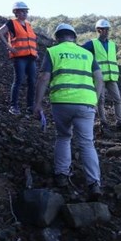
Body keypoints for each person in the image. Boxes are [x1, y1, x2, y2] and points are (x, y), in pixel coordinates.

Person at [33, 23, 104, 201]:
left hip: (62, 102)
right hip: (86, 103)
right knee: (87, 144)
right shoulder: (87, 54)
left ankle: (62, 175)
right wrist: (95, 100)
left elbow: (43, 78)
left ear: (57, 37)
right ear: (74, 37)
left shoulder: (53, 51)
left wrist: (37, 103)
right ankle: (94, 184)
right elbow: (99, 78)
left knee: (63, 137)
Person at [0, 1, 38, 116]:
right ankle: (13, 106)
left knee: (32, 82)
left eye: (26, 11)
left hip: (31, 57)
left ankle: (30, 106)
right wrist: (9, 47)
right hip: (19, 57)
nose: (25, 13)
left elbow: (31, 41)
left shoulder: (28, 25)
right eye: (22, 11)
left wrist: (35, 52)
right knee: (18, 81)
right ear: (16, 12)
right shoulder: (12, 23)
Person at [81, 19, 121, 131]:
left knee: (117, 99)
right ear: (98, 30)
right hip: (99, 77)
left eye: (107, 29)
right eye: (103, 29)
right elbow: (81, 52)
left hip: (111, 77)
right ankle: (103, 121)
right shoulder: (92, 44)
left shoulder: (113, 45)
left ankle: (119, 121)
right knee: (100, 100)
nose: (106, 31)